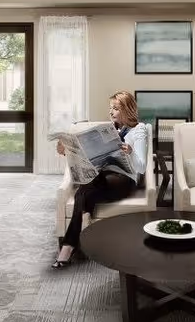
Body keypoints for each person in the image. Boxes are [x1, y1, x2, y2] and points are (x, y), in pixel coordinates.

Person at [52, 90, 148, 268]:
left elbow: (142, 167)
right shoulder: (108, 130)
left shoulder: (139, 129)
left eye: (116, 108)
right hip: (101, 178)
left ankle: (67, 248)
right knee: (84, 192)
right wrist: (69, 151)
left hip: (123, 180)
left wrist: (131, 152)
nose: (111, 112)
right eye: (110, 108)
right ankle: (69, 244)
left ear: (127, 109)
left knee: (84, 191)